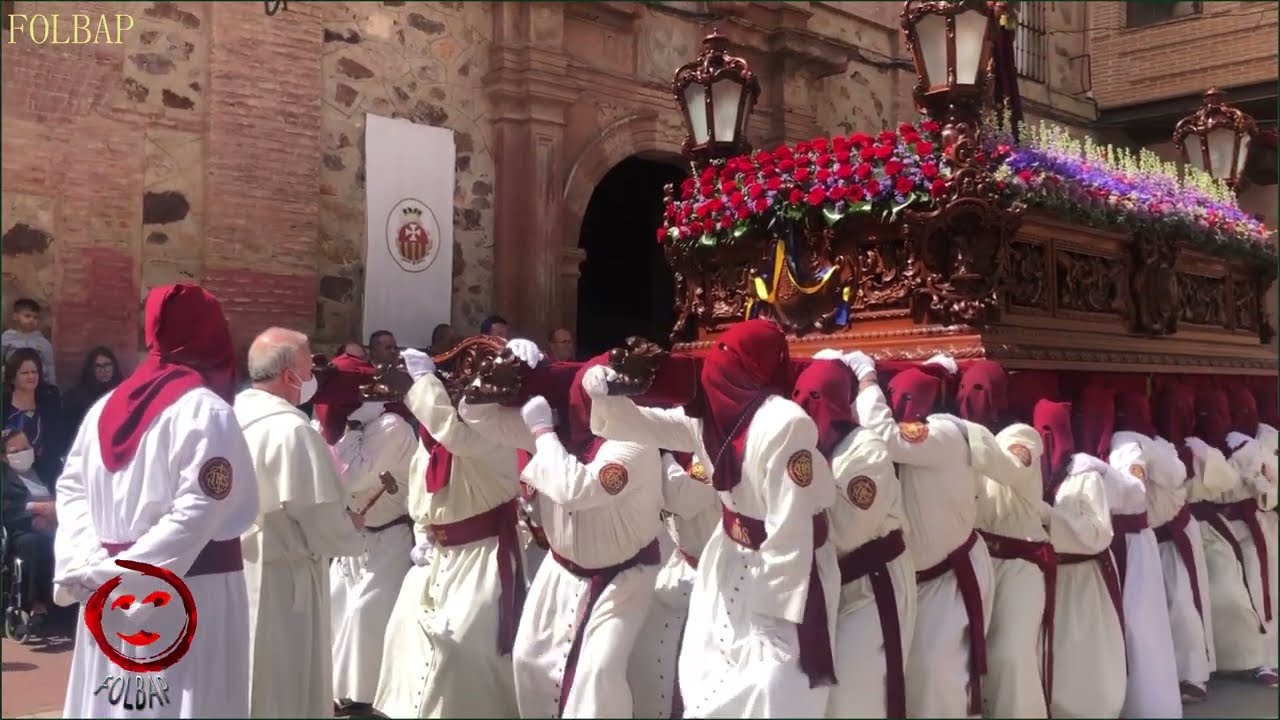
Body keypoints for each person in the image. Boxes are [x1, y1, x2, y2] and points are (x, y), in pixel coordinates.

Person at [585, 319, 839, 718]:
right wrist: (606, 396)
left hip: (784, 574)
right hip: (728, 559)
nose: (716, 363)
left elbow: (791, 527)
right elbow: (649, 425)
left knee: (772, 688)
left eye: (728, 355)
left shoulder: (785, 424)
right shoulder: (715, 413)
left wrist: (774, 613)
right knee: (708, 677)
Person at [53, 283, 260, 718]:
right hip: (188, 594)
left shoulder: (101, 409)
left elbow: (71, 491)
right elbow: (200, 511)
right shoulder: (207, 411)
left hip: (112, 590)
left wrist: (96, 567)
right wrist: (123, 575)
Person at [462, 341, 665, 718]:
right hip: (560, 571)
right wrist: (506, 365)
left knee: (597, 676)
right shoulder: (563, 433)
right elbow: (474, 415)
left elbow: (577, 490)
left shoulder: (633, 442)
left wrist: (541, 432)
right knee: (529, 661)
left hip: (622, 579)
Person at [371, 348, 523, 718]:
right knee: (403, 636)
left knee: (465, 649)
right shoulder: (432, 447)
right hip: (437, 559)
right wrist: (423, 535)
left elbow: (455, 434)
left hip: (484, 558)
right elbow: (421, 496)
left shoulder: (496, 435)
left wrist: (423, 382)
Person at [234, 327, 366, 718]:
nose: (312, 379)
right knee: (283, 684)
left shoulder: (230, 416)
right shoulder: (290, 430)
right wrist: (351, 529)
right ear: (289, 375)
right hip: (284, 579)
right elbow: (318, 514)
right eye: (309, 369)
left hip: (235, 571)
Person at [853, 354, 993, 718]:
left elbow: (885, 435)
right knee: (907, 677)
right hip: (914, 580)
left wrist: (866, 379)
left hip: (950, 578)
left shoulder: (942, 435)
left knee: (936, 676)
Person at [796, 357, 915, 718]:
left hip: (872, 584)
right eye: (797, 395)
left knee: (857, 694)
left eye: (814, 396)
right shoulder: (806, 446)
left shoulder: (867, 449)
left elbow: (846, 529)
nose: (803, 405)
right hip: (829, 584)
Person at [312, 354, 418, 714]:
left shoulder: (391, 427)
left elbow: (347, 478)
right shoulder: (336, 421)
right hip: (354, 537)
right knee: (334, 605)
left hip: (391, 537)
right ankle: (329, 685)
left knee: (365, 614)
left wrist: (355, 429)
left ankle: (362, 694)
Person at [962, 362, 1055, 719]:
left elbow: (1010, 468)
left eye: (980, 390)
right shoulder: (958, 437)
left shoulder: (1022, 435)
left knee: (1011, 653)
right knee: (978, 653)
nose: (970, 399)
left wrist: (963, 431)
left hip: (1020, 563)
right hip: (981, 562)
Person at [1029, 388, 1127, 720]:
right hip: (1046, 575)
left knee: (1083, 649)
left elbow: (1099, 532)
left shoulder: (1085, 475)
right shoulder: (1032, 472)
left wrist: (1051, 517)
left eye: (1051, 431)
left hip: (1083, 578)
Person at [1102, 385, 1182, 718]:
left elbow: (1134, 486)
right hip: (1128, 541)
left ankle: (1143, 703)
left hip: (1130, 540)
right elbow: (1172, 476)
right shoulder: (1137, 442)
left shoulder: (1131, 442)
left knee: (1137, 622)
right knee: (1140, 621)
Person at [1188, 386, 1276, 687]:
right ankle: (1227, 659)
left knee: (1262, 590)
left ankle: (1262, 660)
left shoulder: (1251, 445)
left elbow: (1268, 488)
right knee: (1227, 594)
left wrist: (1257, 476)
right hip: (1210, 529)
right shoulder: (1194, 446)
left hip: (1252, 528)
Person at [626, 449, 719, 719]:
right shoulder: (671, 449)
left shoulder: (711, 446)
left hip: (721, 581)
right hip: (680, 567)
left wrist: (660, 453)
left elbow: (684, 498)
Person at [1149, 380, 1215, 703]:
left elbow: (1218, 481)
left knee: (1182, 602)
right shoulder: (1147, 445)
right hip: (1147, 538)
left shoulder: (1191, 447)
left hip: (1176, 534)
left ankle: (1192, 674)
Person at [2, 428, 55, 626]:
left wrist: (55, 513)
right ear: (4, 457)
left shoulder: (47, 470)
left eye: (26, 448)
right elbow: (6, 509)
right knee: (32, 543)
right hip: (23, 528)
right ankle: (36, 604)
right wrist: (37, 509)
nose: (22, 454)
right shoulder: (4, 478)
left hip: (59, 521)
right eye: (15, 451)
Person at [3, 347, 68, 487]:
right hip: (8, 475)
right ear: (13, 378)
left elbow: (59, 440)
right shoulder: (4, 403)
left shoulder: (50, 400)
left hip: (46, 472)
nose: (31, 376)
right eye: (25, 373)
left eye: (34, 372)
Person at [62, 347, 124, 435]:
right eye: (98, 366)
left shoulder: (122, 391)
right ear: (91, 369)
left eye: (107, 365)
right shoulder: (77, 397)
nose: (103, 370)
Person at [2, 298, 56, 386]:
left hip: (36, 383)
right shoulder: (7, 338)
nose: (31, 320)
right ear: (15, 316)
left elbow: (50, 367)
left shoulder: (43, 342)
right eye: (27, 316)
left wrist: (52, 386)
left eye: (35, 317)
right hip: (11, 383)